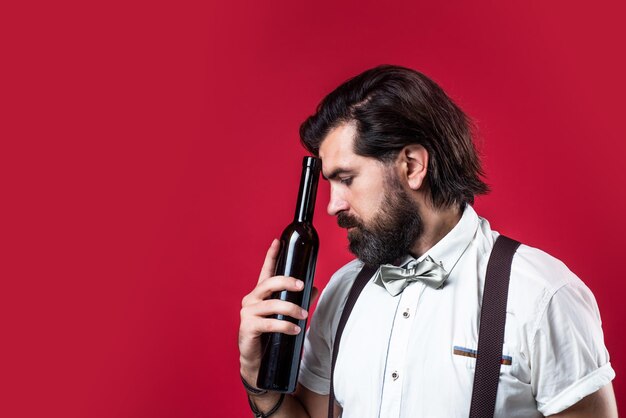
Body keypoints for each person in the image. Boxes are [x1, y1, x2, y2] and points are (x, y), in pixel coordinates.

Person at [238, 65, 618, 417]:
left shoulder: (542, 295)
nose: (333, 205)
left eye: (347, 179)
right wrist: (257, 376)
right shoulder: (342, 292)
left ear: (412, 166)